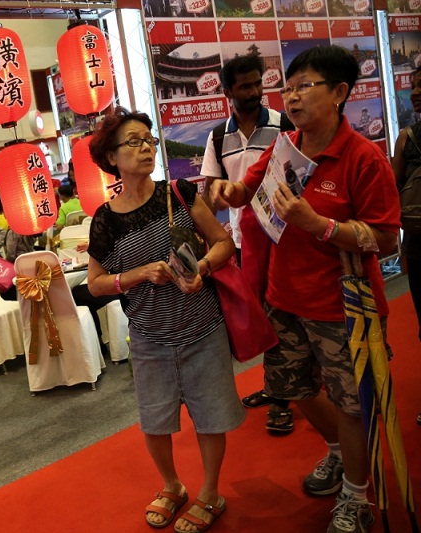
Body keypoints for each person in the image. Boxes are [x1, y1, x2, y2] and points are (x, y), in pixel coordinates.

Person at [210, 45, 401, 533]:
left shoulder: (365, 159)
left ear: (339, 93)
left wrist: (321, 225)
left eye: (304, 87)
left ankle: (357, 496)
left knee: (352, 403)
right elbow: (244, 190)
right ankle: (339, 453)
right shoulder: (285, 146)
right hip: (283, 297)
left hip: (343, 307)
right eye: (288, 88)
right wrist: (222, 192)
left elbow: (385, 237)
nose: (291, 98)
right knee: (293, 390)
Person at [87, 107, 242, 532]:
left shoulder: (179, 193)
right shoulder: (104, 220)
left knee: (211, 415)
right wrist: (135, 275)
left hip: (202, 328)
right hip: (150, 337)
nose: (145, 148)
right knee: (155, 421)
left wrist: (204, 269)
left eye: (149, 141)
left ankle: (210, 492)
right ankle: (172, 485)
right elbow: (95, 284)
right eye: (133, 142)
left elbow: (223, 243)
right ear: (112, 157)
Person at [200, 53, 296, 434]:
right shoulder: (218, 136)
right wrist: (216, 201)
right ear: (227, 92)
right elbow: (208, 190)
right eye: (245, 86)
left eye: (258, 83)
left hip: (288, 236)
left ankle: (286, 397)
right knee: (262, 319)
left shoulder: (284, 124)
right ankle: (278, 388)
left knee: (285, 314)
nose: (255, 92)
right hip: (245, 239)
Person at [390, 65, 421, 426]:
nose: (415, 91)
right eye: (413, 85)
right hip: (418, 245)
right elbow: (393, 193)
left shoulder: (407, 138)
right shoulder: (406, 137)